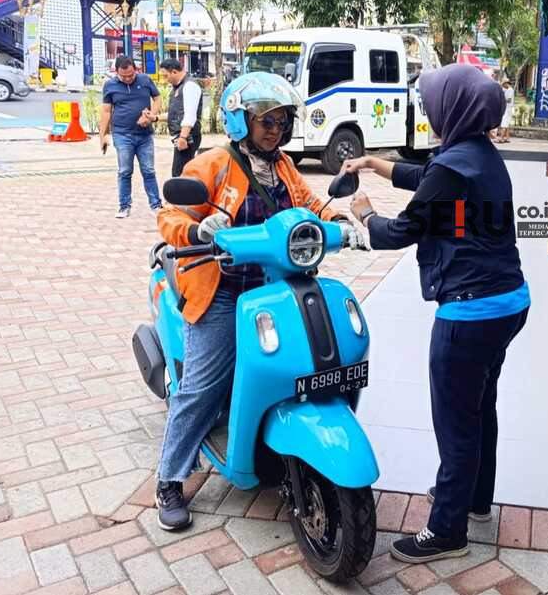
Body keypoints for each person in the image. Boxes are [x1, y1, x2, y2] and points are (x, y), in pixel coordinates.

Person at [153, 72, 364, 531]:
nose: (273, 128)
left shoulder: (285, 167)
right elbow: (171, 213)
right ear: (239, 121)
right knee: (205, 384)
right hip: (223, 290)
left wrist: (343, 222)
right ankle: (170, 477)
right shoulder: (214, 163)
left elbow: (312, 203)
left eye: (280, 120)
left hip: (274, 289)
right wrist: (196, 229)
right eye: (263, 120)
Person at [342, 64, 530, 563]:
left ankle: (447, 530)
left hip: (470, 313)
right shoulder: (481, 155)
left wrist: (362, 212)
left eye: (432, 102)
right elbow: (429, 178)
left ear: (454, 108)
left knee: (455, 423)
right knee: (479, 408)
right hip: (509, 301)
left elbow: (400, 232)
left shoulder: (453, 165)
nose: (428, 109)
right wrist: (375, 164)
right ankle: (475, 500)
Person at [100, 56, 163, 218]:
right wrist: (103, 135)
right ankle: (124, 206)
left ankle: (156, 205)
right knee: (125, 171)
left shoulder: (145, 80)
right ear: (117, 72)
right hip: (122, 134)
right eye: (123, 76)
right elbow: (106, 111)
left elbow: (157, 98)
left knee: (149, 170)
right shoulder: (110, 85)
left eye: (131, 75)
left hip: (145, 135)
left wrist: (151, 115)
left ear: (136, 69)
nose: (128, 79)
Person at [158, 58, 204, 178]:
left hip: (187, 137)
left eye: (165, 76)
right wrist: (155, 118)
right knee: (181, 173)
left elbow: (190, 115)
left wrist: (183, 137)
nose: (165, 80)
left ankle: (187, 197)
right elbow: (176, 114)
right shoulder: (178, 88)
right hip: (182, 137)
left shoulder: (190, 86)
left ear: (174, 72)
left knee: (180, 176)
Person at [497, 79, 514, 143]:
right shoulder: (507, 89)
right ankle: (507, 138)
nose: (503, 86)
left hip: (507, 109)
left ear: (506, 83)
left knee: (504, 124)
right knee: (507, 124)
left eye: (503, 84)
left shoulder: (510, 90)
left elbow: (509, 100)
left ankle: (501, 138)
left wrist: (502, 100)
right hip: (507, 108)